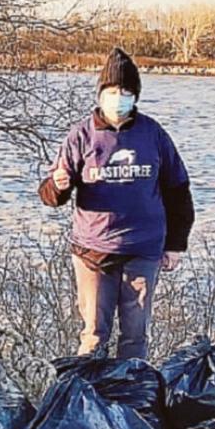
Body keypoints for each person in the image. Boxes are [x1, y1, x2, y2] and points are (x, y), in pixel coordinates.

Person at [38, 47, 195, 360]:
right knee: (94, 335)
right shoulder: (81, 136)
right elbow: (51, 194)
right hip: (92, 251)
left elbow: (179, 190)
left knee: (135, 338)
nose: (118, 98)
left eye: (125, 92)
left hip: (143, 249)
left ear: (135, 96)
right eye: (112, 91)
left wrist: (176, 244)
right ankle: (86, 398)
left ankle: (131, 400)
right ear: (101, 94)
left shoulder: (153, 135)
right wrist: (58, 185)